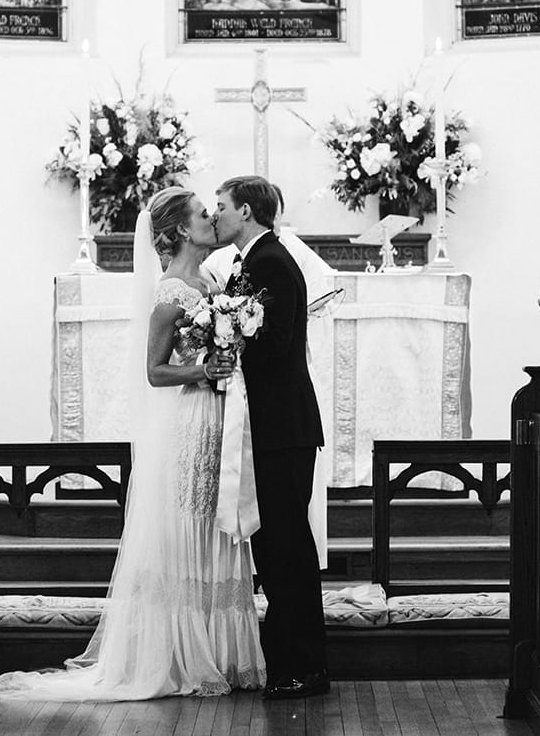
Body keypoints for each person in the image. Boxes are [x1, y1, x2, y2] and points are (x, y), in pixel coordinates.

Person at [0, 187, 264, 701]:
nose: (211, 219)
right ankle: (185, 655)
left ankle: (224, 653)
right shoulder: (170, 293)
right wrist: (204, 368)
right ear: (181, 230)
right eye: (203, 214)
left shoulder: (213, 280)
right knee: (192, 524)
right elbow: (155, 372)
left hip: (221, 417)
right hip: (193, 419)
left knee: (217, 526)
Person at [213, 175, 328, 700]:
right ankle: (287, 658)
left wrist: (226, 352)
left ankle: (305, 666)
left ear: (246, 211)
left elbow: (276, 345)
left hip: (282, 427)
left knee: (288, 547)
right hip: (275, 426)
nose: (216, 216)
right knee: (277, 545)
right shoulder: (255, 261)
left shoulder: (271, 263)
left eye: (221, 207)